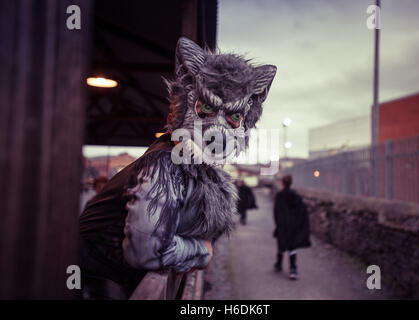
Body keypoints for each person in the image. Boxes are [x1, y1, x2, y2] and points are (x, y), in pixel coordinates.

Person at [78, 37, 277, 299]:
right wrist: (202, 250)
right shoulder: (165, 163)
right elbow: (146, 252)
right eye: (206, 108)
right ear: (183, 105)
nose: (220, 130)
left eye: (234, 116)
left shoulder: (192, 165)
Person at [273, 175, 311, 280]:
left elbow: (276, 211)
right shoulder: (296, 196)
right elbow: (302, 212)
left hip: (282, 225)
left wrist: (278, 224)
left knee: (281, 245)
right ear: (291, 183)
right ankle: (293, 269)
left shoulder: (279, 195)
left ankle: (279, 264)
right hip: (293, 227)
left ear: (282, 183)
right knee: (292, 247)